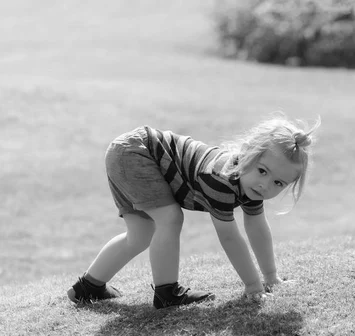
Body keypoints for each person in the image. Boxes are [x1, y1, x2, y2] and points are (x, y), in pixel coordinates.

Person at [67, 114, 320, 308]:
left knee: (141, 233)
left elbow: (257, 228)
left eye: (278, 183)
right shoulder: (220, 178)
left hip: (128, 152)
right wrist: (254, 286)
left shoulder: (250, 184)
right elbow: (230, 237)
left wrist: (271, 277)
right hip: (136, 152)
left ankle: (88, 287)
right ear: (246, 155)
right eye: (262, 171)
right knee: (170, 218)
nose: (265, 185)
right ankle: (166, 293)